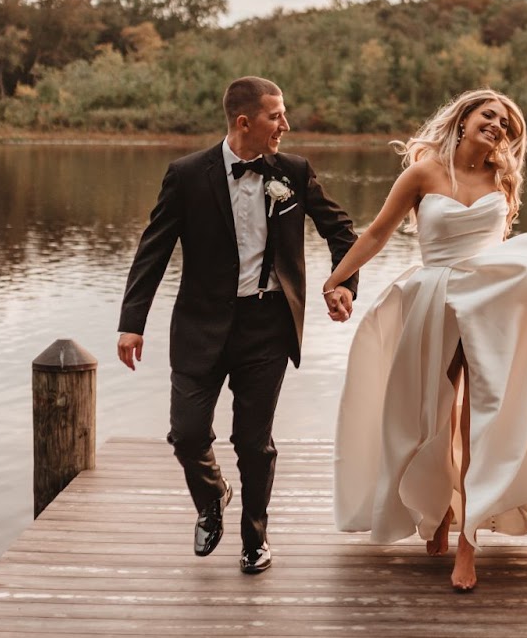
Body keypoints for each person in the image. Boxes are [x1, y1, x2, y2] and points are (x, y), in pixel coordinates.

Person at [324, 88, 527, 590]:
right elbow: (375, 234)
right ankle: (434, 514)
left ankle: (467, 545)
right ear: (465, 116)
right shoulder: (423, 172)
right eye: (489, 115)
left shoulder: (501, 178)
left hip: (489, 306)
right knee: (426, 415)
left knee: (480, 420)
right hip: (433, 300)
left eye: (507, 126)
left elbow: (499, 247)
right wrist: (336, 281)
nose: (497, 126)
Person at [117, 76, 359, 574]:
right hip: (199, 325)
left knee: (253, 442)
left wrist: (345, 285)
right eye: (276, 116)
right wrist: (132, 322)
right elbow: (153, 249)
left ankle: (255, 539)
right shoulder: (186, 175)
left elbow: (342, 231)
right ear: (244, 122)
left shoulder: (293, 172)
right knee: (186, 435)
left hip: (268, 327)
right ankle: (211, 498)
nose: (285, 126)